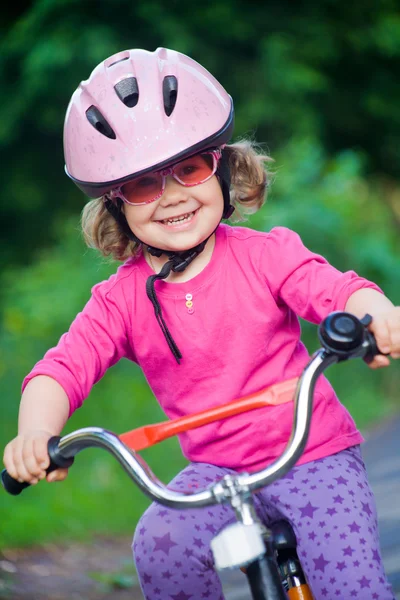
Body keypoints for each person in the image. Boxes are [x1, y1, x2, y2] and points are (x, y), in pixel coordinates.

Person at [3, 47, 398, 600]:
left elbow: (336, 290)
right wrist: (35, 434)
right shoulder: (120, 301)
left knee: (349, 579)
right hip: (213, 473)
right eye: (143, 186)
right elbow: (61, 369)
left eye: (188, 168)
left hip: (311, 454)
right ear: (116, 205)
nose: (173, 197)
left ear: (223, 167)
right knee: (160, 544)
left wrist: (377, 317)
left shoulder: (267, 256)